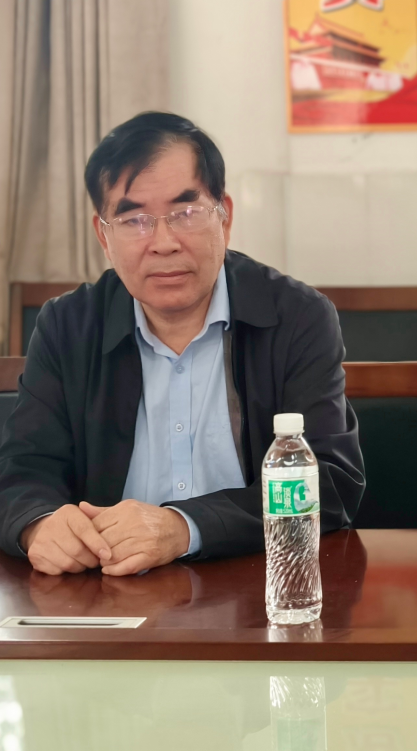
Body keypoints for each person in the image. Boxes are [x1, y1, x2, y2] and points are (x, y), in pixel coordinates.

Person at [0, 112, 365, 575]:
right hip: (106, 592)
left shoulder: (296, 317)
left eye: (185, 213)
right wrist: (39, 524)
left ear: (224, 217)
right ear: (103, 236)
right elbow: (22, 471)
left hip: (258, 586)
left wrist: (184, 527)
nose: (163, 242)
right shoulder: (67, 326)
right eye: (134, 220)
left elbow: (329, 483)